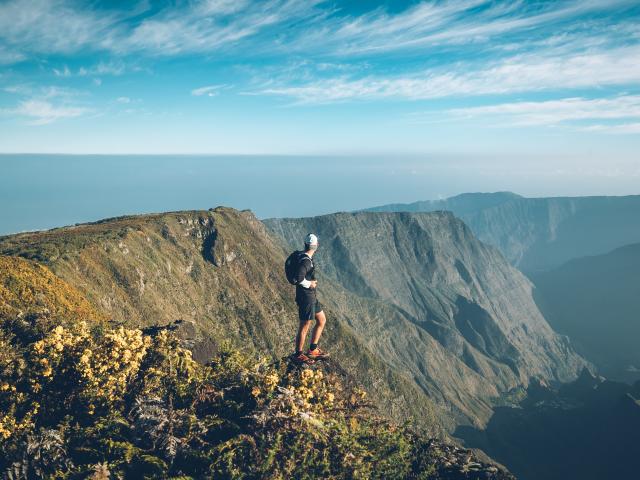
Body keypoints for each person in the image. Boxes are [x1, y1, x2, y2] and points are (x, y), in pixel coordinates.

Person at [292, 233, 330, 363]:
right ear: (316, 246)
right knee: (305, 324)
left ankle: (313, 349)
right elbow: (298, 278)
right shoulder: (306, 261)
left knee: (322, 320)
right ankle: (298, 354)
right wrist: (310, 284)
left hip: (311, 296)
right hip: (306, 297)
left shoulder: (302, 256)